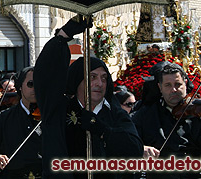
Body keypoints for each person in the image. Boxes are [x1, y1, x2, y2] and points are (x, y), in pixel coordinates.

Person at [36, 17, 143, 178]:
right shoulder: (59, 111)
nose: (99, 83)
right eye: (92, 77)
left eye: (104, 78)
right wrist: (63, 36)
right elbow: (46, 76)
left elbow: (134, 149)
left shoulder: (115, 113)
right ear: (77, 82)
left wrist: (102, 130)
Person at [132, 62, 201, 179]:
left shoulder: (200, 111)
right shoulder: (145, 114)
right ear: (160, 87)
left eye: (178, 84)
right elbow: (129, 141)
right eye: (168, 85)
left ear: (185, 84)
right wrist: (142, 148)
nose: (174, 90)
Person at [0, 66, 42, 178]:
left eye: (40, 84)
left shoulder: (50, 116)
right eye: (31, 84)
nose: (36, 88)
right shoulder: (4, 117)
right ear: (20, 87)